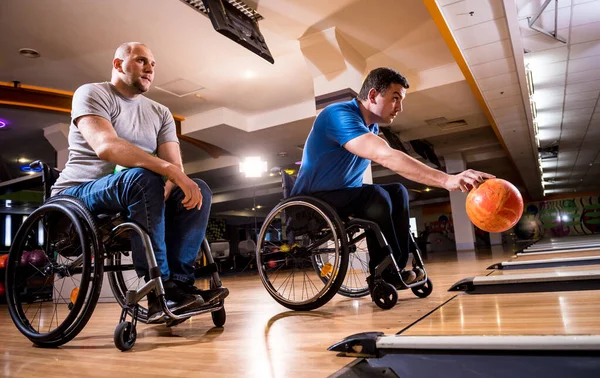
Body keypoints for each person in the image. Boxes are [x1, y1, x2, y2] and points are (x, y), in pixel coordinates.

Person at [51, 42, 226, 325]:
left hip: (133, 191)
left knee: (197, 188)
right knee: (143, 178)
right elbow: (106, 146)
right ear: (119, 64)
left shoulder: (160, 112)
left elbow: (174, 169)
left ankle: (178, 286)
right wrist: (167, 172)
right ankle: (159, 290)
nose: (150, 69)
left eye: (153, 65)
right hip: (78, 194)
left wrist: (172, 180)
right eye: (142, 60)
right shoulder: (92, 93)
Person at [291, 67, 494, 288]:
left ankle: (396, 266)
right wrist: (447, 180)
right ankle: (384, 274)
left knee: (397, 191)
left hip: (342, 196)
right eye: (395, 98)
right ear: (372, 95)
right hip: (313, 200)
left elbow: (391, 157)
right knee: (375, 195)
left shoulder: (372, 126)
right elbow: (386, 156)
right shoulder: (337, 115)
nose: (400, 107)